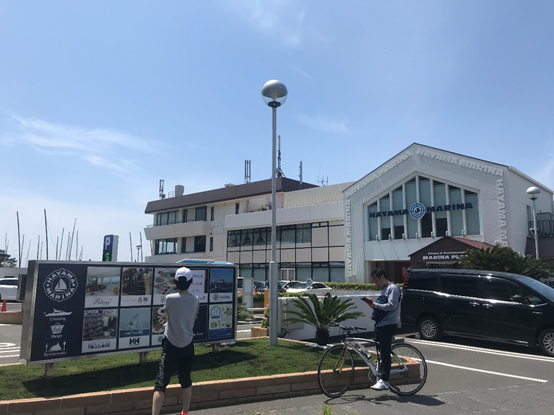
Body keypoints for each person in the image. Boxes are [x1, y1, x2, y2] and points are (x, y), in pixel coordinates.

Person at [152, 267, 199, 415]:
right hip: (187, 345)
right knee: (186, 380)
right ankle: (184, 412)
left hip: (170, 345)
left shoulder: (169, 299)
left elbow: (167, 312)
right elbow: (193, 316)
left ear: (175, 282)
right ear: (190, 282)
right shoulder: (195, 299)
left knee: (161, 384)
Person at [362, 268, 401, 391]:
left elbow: (392, 305)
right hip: (381, 325)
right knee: (381, 351)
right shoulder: (385, 289)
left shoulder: (392, 288)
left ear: (383, 277)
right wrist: (373, 304)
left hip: (388, 325)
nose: (375, 283)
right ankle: (381, 374)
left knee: (385, 352)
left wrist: (376, 305)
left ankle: (384, 380)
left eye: (376, 280)